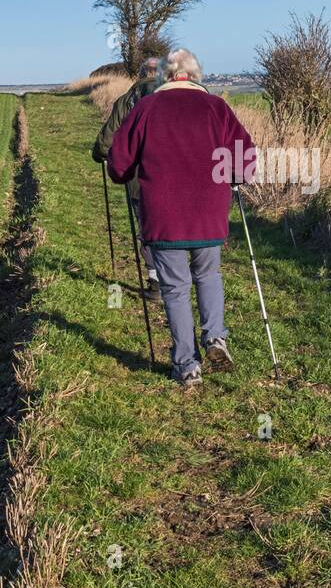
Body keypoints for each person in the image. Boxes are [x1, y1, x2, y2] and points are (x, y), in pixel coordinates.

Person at [107, 48, 256, 386]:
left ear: (165, 77)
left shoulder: (146, 108)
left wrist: (128, 170)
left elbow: (118, 163)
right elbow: (246, 158)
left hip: (164, 215)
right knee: (208, 274)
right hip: (209, 211)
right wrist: (230, 173)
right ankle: (216, 338)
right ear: (195, 75)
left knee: (174, 287)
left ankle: (187, 366)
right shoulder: (216, 107)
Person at [92, 56, 162, 299]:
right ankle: (178, 277)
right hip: (176, 179)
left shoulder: (127, 101)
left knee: (148, 230)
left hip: (139, 180)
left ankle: (156, 284)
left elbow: (106, 141)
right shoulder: (176, 98)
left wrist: (99, 154)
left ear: (140, 75)